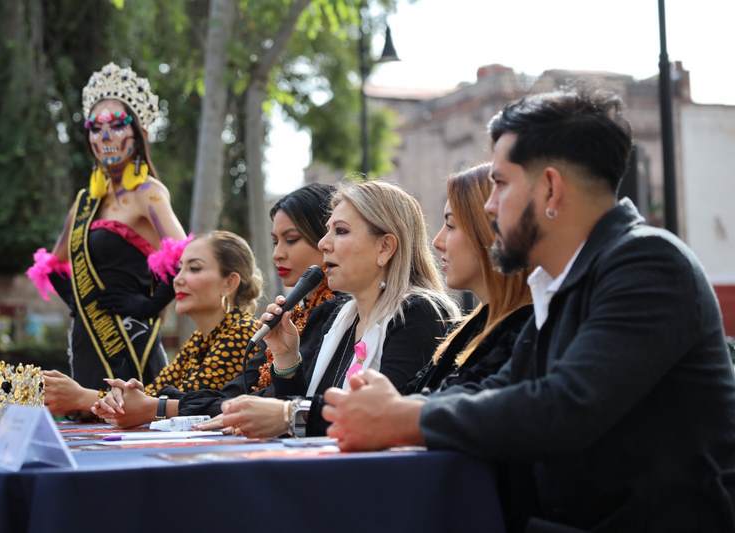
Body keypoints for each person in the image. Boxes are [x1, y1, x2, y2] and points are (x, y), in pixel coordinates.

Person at [322, 90, 735, 532]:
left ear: (551, 188)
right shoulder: (565, 281)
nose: (488, 205)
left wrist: (404, 417)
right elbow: (500, 389)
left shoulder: (647, 263)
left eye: (500, 183)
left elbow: (565, 405)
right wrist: (394, 407)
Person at [216, 181, 460, 438]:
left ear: (385, 247)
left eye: (340, 231)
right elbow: (301, 428)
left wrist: (289, 414)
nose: (323, 244)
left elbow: (383, 419)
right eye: (326, 231)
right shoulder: (338, 316)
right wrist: (286, 359)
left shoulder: (419, 314)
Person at [94, 184, 343, 425]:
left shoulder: (243, 331)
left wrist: (150, 406)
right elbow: (212, 396)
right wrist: (129, 398)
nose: (277, 253)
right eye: (275, 241)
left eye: (291, 239)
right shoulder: (292, 316)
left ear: (229, 282)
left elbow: (255, 403)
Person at [26, 63, 186, 414]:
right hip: (87, 337)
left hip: (130, 339)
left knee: (131, 424)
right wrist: (77, 302)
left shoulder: (149, 194)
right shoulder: (86, 202)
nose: (106, 136)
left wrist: (150, 305)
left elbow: (188, 257)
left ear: (138, 133)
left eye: (117, 125)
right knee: (86, 424)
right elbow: (52, 265)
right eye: (96, 129)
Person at [87, 231, 263, 426]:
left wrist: (82, 397)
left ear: (229, 283)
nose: (177, 279)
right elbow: (154, 392)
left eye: (194, 268)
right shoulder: (199, 339)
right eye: (179, 269)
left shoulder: (243, 331)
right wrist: (121, 394)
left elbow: (187, 400)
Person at [404, 163, 532, 395]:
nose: (437, 241)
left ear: (488, 232)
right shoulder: (471, 326)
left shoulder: (525, 332)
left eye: (451, 225)